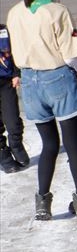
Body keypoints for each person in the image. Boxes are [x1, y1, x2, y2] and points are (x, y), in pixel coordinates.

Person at [6, 0, 77, 220]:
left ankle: (43, 202)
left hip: (30, 82)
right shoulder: (57, 11)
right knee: (72, 143)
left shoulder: (15, 12)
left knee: (49, 145)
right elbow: (70, 56)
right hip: (57, 80)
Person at [0, 24, 29, 173]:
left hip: (6, 82)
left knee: (13, 121)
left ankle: (16, 146)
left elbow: (15, 53)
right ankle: (4, 157)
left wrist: (16, 73)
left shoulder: (4, 31)